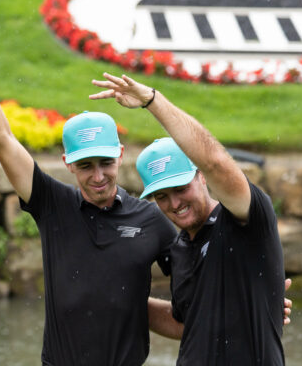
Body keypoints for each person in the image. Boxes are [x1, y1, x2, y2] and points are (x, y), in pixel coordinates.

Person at [0, 30, 180, 365]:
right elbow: (2, 139)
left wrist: (256, 303)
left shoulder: (151, 221)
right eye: (85, 166)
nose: (98, 176)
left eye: (106, 163)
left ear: (120, 155)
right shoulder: (53, 206)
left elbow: (200, 286)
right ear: (67, 163)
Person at [90, 72, 286, 364]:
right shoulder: (180, 248)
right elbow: (186, 323)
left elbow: (216, 161)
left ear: (202, 176)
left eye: (181, 188)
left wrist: (152, 101)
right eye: (162, 196)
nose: (175, 203)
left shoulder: (246, 222)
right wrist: (119, 298)